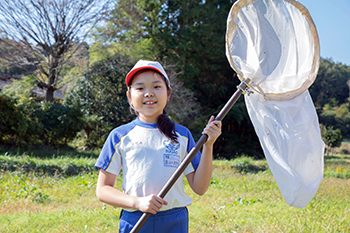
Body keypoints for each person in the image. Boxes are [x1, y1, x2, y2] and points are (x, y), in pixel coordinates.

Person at [95, 60, 222, 233]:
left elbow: (200, 188)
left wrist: (208, 146)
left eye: (156, 87)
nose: (148, 93)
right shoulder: (119, 136)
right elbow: (102, 190)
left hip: (174, 220)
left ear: (168, 93)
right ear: (129, 96)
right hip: (135, 219)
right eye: (140, 88)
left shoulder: (182, 135)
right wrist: (137, 202)